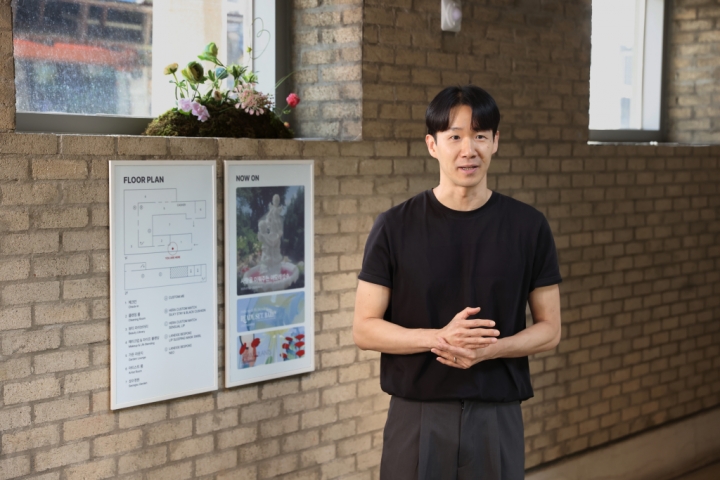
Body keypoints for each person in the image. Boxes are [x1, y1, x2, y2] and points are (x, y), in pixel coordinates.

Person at [353, 85, 562, 480]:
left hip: (496, 415)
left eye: (480, 136)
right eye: (455, 137)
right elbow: (364, 329)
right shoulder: (394, 226)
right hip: (417, 415)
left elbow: (550, 330)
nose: (469, 150)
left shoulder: (528, 227)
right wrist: (439, 339)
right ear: (432, 145)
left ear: (495, 142)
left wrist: (491, 350)